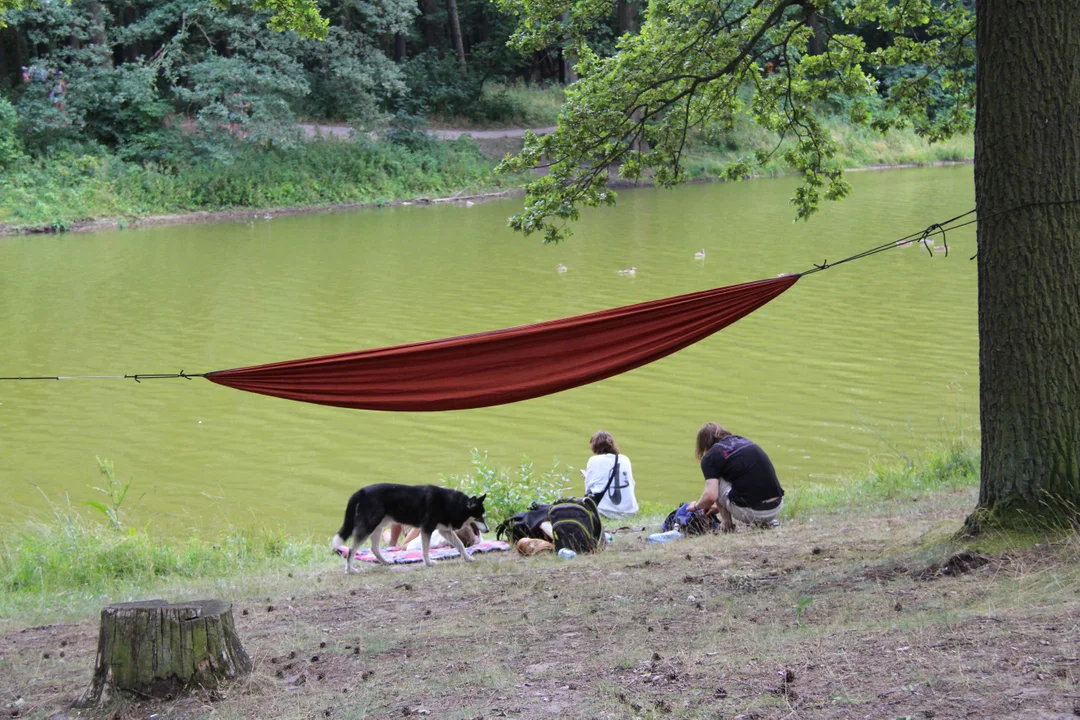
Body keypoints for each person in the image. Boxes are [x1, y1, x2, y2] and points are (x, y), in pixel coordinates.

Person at [687, 422, 784, 532]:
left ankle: (726, 525)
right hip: (776, 507)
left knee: (717, 479)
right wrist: (719, 507)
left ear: (703, 443)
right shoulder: (744, 441)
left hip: (752, 513)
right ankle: (761, 520)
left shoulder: (711, 456)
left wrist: (696, 506)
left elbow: (710, 496)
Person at [582, 430, 639, 518]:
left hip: (606, 512)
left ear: (595, 447)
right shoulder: (625, 459)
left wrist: (586, 478)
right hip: (630, 511)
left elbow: (588, 489)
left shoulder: (594, 460)